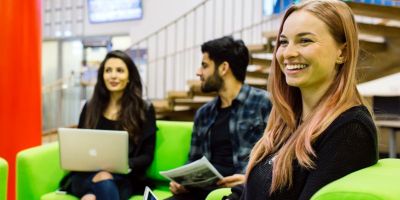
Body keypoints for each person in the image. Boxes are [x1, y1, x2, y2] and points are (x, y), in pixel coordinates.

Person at [227, 0, 378, 199]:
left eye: (305, 40)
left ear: (343, 52)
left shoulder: (350, 130)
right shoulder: (289, 120)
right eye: (283, 42)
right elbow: (251, 189)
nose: (288, 53)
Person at [167, 36, 272, 200]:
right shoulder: (204, 113)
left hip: (240, 190)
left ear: (223, 68)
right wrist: (181, 182)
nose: (198, 72)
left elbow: (280, 155)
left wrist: (250, 179)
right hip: (202, 190)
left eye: (204, 65)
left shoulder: (264, 103)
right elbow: (193, 159)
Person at [59, 50, 156, 200]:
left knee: (91, 197)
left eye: (120, 71)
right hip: (86, 176)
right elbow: (81, 145)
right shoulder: (90, 107)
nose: (113, 76)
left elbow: (147, 156)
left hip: (124, 178)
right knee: (102, 180)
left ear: (129, 76)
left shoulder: (144, 110)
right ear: (102, 76)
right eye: (108, 70)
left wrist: (123, 164)